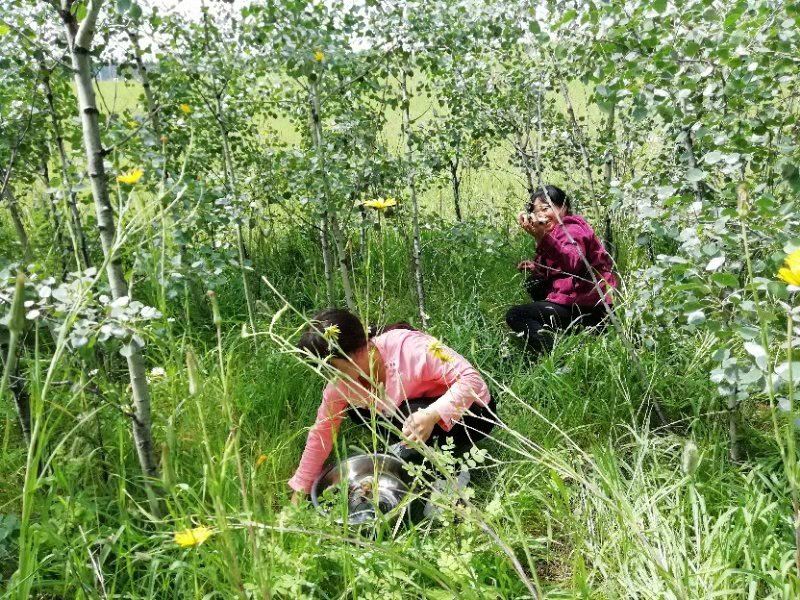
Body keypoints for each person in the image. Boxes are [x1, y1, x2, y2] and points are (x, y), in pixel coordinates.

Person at [288, 309, 495, 503]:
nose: (330, 377)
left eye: (332, 368)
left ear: (352, 354)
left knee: (409, 412)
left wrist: (432, 414)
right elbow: (322, 432)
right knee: (359, 411)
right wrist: (300, 491)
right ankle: (417, 454)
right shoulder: (342, 385)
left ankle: (451, 472)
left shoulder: (409, 347)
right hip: (413, 416)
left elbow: (472, 380)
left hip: (472, 414)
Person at [506, 185, 617, 353]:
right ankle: (566, 333)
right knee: (534, 282)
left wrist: (542, 237)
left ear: (564, 207)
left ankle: (553, 356)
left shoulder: (572, 228)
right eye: (536, 211)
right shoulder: (556, 232)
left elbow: (573, 262)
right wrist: (537, 266)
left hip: (591, 307)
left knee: (516, 315)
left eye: (546, 208)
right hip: (582, 303)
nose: (541, 215)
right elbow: (560, 268)